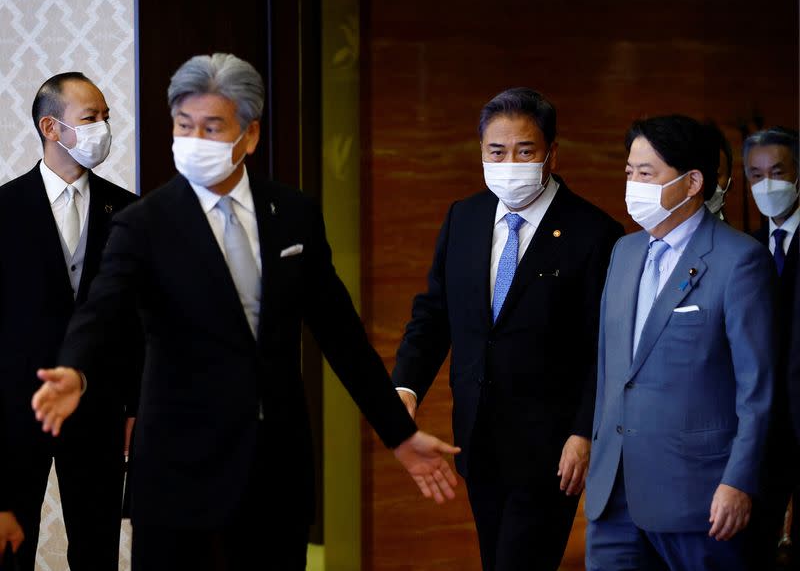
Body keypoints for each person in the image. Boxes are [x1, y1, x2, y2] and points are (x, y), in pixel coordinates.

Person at [31, 53, 459, 571]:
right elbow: (101, 308)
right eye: (184, 126)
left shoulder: (293, 215)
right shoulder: (145, 222)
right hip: (176, 477)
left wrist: (400, 433)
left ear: (249, 136)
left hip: (273, 473)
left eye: (213, 128)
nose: (194, 140)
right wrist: (75, 369)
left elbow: (341, 334)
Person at [392, 87, 623, 570]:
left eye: (526, 151)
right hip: (478, 438)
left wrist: (585, 431)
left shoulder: (593, 233)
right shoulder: (465, 217)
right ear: (481, 153)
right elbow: (434, 313)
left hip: (551, 449)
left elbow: (604, 347)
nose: (509, 163)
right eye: (497, 152)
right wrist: (407, 384)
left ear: (552, 154)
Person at [584, 114, 775, 570]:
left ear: (692, 183)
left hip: (701, 500)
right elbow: (613, 369)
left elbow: (758, 388)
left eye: (647, 174)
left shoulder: (740, 261)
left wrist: (740, 481)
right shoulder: (623, 252)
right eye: (629, 172)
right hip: (614, 495)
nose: (633, 184)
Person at [0, 72, 140, 568]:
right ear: (51, 127)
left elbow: (137, 323)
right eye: (90, 118)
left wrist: (135, 405)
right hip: (16, 409)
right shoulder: (4, 209)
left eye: (106, 117)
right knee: (9, 546)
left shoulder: (128, 212)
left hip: (99, 405)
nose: (103, 127)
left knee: (97, 546)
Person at [744, 127, 800, 568]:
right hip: (763, 428)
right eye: (755, 175)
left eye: (777, 172)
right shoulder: (746, 248)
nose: (767, 185)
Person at [705, 121, 734, 220]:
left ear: (730, 184)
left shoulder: (734, 236)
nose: (703, 184)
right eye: (695, 176)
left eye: (714, 175)